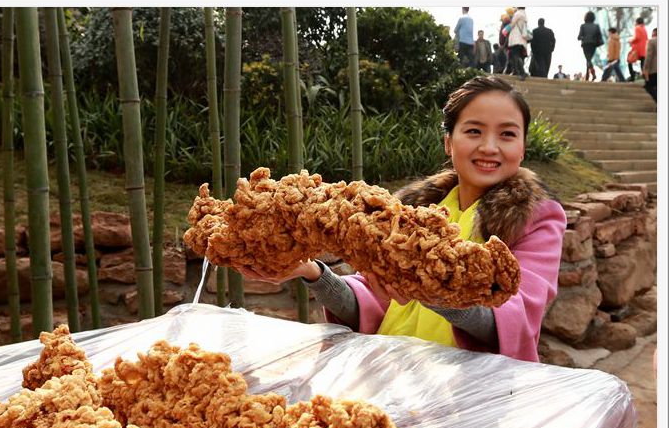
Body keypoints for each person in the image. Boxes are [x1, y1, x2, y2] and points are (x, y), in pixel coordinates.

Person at [236, 76, 566, 363]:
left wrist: (430, 288)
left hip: (473, 396)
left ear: (523, 147)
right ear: (449, 142)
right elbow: (371, 301)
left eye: (507, 134)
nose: (490, 147)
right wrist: (311, 272)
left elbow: (515, 319)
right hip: (394, 378)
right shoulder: (415, 212)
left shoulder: (535, 218)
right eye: (474, 131)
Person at [578, 11, 604, 81]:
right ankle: (588, 75)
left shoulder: (583, 26)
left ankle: (592, 74)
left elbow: (579, 37)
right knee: (588, 60)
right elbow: (600, 37)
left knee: (588, 59)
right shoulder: (596, 26)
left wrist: (583, 38)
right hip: (593, 45)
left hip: (585, 44)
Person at [507, 6, 530, 78]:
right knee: (516, 56)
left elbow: (512, 24)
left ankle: (522, 72)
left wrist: (505, 31)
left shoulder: (517, 14)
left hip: (515, 39)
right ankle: (515, 71)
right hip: (522, 40)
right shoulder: (525, 14)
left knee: (515, 56)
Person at [628, 17, 649, 82]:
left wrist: (631, 41)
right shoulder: (644, 29)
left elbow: (637, 38)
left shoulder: (637, 28)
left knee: (629, 61)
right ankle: (646, 79)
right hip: (644, 50)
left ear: (637, 22)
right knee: (642, 65)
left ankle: (632, 76)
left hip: (637, 50)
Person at [643, 27, 657, 101]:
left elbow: (649, 56)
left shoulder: (652, 41)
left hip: (654, 69)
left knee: (648, 86)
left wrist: (645, 69)